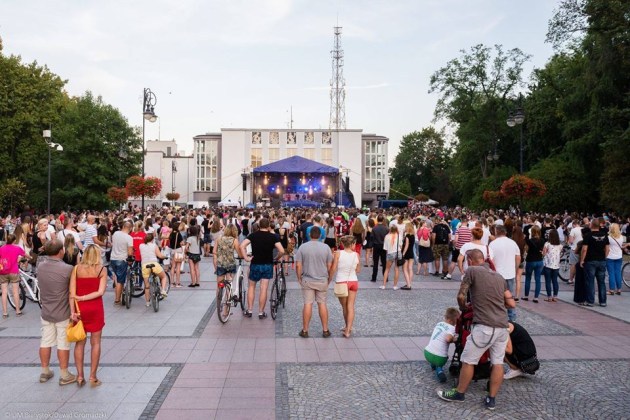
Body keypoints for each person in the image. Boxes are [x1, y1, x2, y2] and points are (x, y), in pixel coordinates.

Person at [437, 249, 515, 410]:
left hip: (484, 326)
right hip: (502, 326)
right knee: (498, 363)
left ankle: (459, 393)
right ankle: (491, 399)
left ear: (470, 260)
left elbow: (461, 296)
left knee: (467, 360)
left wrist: (463, 308)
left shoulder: (471, 271)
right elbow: (510, 303)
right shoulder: (498, 276)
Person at [37, 240, 77, 385]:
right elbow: (73, 290)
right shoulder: (68, 269)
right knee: (63, 344)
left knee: (45, 341)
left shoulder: (40, 266)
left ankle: (45, 371)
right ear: (61, 251)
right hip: (63, 311)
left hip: (46, 311)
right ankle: (64, 374)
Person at [70, 244, 106, 387]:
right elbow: (100, 292)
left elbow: (71, 293)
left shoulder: (76, 269)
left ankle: (79, 376)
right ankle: (93, 377)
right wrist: (84, 297)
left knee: (80, 343)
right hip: (95, 307)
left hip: (79, 309)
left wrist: (72, 311)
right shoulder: (101, 270)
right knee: (96, 343)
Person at [240, 218, 284, 319]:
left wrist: (246, 258)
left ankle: (250, 310)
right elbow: (281, 250)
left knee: (251, 287)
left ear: (259, 225)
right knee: (263, 288)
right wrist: (276, 258)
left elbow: (242, 245)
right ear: (269, 226)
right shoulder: (273, 237)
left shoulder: (253, 235)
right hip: (267, 264)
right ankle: (261, 312)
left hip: (255, 264)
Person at [295, 227, 333, 338]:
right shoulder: (326, 248)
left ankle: (305, 330)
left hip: (307, 279)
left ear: (309, 234)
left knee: (307, 304)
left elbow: (298, 265)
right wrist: (329, 278)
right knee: (322, 304)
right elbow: (329, 265)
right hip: (322, 279)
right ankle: (325, 330)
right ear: (320, 235)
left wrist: (299, 278)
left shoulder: (303, 247)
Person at [329, 235, 360, 338]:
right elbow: (358, 270)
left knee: (344, 307)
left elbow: (333, 268)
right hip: (353, 281)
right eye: (354, 243)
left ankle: (347, 327)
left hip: (342, 281)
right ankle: (348, 329)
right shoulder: (356, 255)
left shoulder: (338, 253)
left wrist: (329, 279)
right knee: (351, 306)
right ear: (351, 244)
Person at [489, 225, 521, 321]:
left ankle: (497, 315)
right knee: (509, 296)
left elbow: (491, 259)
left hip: (497, 274)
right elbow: (518, 257)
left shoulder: (493, 244)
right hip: (510, 273)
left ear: (496, 232)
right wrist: (515, 267)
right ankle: (512, 317)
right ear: (505, 232)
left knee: (496, 296)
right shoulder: (513, 243)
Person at [424, 307, 460, 383]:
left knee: (435, 349)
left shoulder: (439, 323)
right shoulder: (452, 328)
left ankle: (433, 365)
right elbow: (447, 339)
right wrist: (454, 339)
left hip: (427, 353)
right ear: (451, 321)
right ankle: (439, 370)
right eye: (455, 322)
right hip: (440, 358)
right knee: (442, 357)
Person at [580, 219, 610, 307]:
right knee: (601, 282)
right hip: (601, 260)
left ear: (591, 225)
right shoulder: (605, 235)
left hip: (590, 261)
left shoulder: (588, 235)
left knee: (590, 281)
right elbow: (607, 249)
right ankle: (603, 301)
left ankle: (590, 301)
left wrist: (582, 260)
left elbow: (584, 249)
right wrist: (604, 257)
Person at [0, 234, 26, 317]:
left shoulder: (1, 248)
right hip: (14, 271)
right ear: (14, 240)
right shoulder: (17, 248)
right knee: (15, 292)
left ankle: (5, 313)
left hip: (3, 271)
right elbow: (24, 254)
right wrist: (29, 257)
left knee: (4, 292)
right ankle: (18, 311)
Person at [139, 234, 169, 304]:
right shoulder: (154, 246)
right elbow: (160, 255)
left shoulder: (141, 246)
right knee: (164, 276)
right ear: (152, 239)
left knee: (147, 286)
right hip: (154, 264)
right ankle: (163, 290)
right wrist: (165, 257)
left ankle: (147, 302)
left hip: (145, 265)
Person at [110, 221, 133, 305]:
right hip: (122, 259)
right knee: (120, 280)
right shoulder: (129, 238)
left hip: (113, 258)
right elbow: (130, 252)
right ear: (130, 228)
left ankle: (118, 294)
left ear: (123, 226)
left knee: (117, 277)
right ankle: (117, 299)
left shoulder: (115, 233)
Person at [523, 226, 545, 303]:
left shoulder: (529, 241)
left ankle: (526, 296)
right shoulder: (542, 240)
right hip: (539, 260)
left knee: (528, 278)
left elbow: (526, 250)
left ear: (531, 232)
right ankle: (536, 297)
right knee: (538, 279)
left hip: (530, 260)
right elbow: (543, 250)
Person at [542, 230, 563, 302]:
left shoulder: (547, 244)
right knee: (555, 281)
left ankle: (549, 297)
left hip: (548, 264)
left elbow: (544, 254)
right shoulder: (560, 245)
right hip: (556, 265)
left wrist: (543, 252)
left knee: (548, 281)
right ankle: (555, 296)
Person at [606, 223, 626, 295]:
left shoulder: (608, 237)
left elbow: (607, 248)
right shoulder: (621, 237)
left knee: (611, 273)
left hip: (610, 256)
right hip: (619, 256)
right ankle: (619, 289)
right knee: (618, 272)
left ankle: (611, 290)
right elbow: (622, 245)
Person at [381, 225, 402, 290]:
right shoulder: (399, 236)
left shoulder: (387, 236)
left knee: (387, 269)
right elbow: (401, 245)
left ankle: (384, 285)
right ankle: (395, 286)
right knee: (396, 269)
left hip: (390, 253)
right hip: (398, 252)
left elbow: (385, 248)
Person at [370, 215, 388, 282]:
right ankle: (386, 277)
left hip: (376, 246)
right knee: (384, 263)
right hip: (383, 246)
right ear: (383, 220)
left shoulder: (374, 228)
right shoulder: (386, 228)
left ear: (377, 220)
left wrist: (372, 246)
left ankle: (374, 277)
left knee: (375, 263)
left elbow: (372, 238)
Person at [186, 223, 202, 287]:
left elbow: (186, 247)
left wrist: (186, 251)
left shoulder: (190, 238)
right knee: (197, 268)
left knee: (192, 269)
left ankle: (193, 282)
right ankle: (198, 282)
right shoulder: (198, 238)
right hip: (197, 254)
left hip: (191, 254)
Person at [400, 222, 415, 290]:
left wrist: (402, 254)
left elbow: (406, 246)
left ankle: (408, 285)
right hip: (411, 253)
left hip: (406, 254)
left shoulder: (407, 236)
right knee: (410, 268)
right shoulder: (413, 236)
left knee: (404, 269)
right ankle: (409, 283)